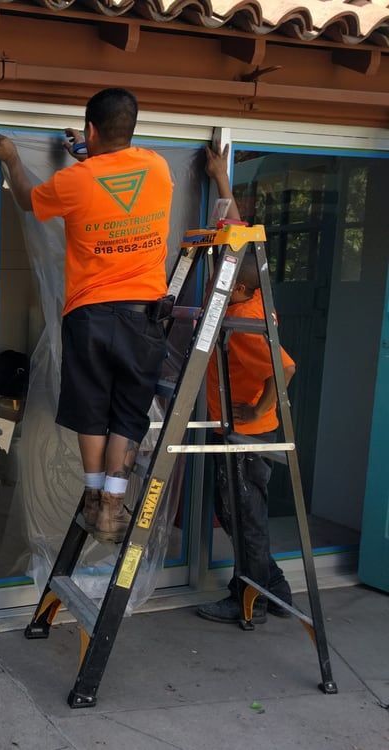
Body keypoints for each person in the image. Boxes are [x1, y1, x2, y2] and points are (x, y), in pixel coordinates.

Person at [0, 88, 172, 543]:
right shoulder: (157, 167)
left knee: (92, 411)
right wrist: (87, 152)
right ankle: (112, 506)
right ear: (130, 128)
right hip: (142, 315)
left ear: (90, 130)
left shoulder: (76, 181)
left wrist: (12, 158)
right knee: (128, 413)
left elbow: (28, 200)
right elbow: (114, 172)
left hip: (89, 315)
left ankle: (92, 497)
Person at [198, 145, 296, 624]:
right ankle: (274, 589)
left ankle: (251, 596)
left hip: (248, 435)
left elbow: (288, 368)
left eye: (223, 273)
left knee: (244, 516)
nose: (217, 272)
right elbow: (239, 238)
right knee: (237, 511)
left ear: (238, 289)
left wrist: (258, 410)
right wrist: (221, 180)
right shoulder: (248, 295)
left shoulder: (244, 320)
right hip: (236, 428)